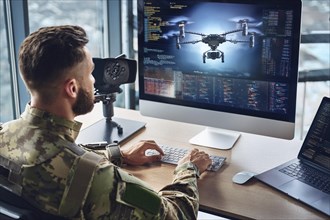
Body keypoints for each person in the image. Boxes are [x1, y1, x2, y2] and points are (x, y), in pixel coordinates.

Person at [0, 25, 212, 219]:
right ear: (72, 88)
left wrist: (118, 155)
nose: (93, 81)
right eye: (90, 73)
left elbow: (55, 156)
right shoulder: (96, 178)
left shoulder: (4, 136)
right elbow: (175, 215)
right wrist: (188, 170)